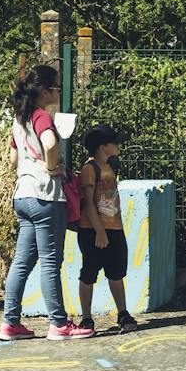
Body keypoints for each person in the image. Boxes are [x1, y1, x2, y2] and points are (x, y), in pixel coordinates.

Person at [1, 65, 92, 340]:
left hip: (23, 194)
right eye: (56, 88)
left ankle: (10, 323)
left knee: (21, 262)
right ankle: (59, 324)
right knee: (51, 261)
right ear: (44, 91)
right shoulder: (41, 116)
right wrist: (53, 167)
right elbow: (51, 144)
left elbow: (13, 159)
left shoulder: (20, 118)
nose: (58, 93)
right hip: (46, 196)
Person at [75, 124, 137, 333]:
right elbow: (89, 203)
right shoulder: (89, 169)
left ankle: (123, 312)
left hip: (114, 227)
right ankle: (86, 317)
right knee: (89, 272)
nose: (118, 145)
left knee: (116, 272)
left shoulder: (110, 167)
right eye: (114, 142)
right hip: (93, 230)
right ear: (102, 147)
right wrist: (99, 231)